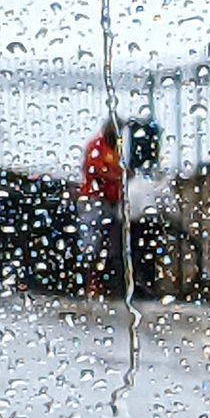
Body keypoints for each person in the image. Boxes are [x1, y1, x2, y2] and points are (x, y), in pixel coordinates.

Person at [78, 117, 123, 297]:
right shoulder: (96, 146)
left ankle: (107, 283)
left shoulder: (117, 149)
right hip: (93, 200)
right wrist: (116, 176)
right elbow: (94, 169)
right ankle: (90, 283)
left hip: (111, 202)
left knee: (111, 243)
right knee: (91, 242)